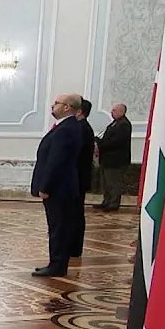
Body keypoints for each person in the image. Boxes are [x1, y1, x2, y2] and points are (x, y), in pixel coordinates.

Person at [31, 94, 84, 277]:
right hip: (61, 187)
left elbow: (57, 161)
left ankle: (57, 265)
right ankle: (55, 263)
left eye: (56, 103)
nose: (52, 106)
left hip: (59, 188)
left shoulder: (66, 129)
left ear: (67, 107)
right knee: (56, 227)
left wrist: (46, 187)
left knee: (59, 228)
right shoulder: (66, 127)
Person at [70, 99, 96, 258]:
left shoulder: (81, 128)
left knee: (75, 213)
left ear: (79, 111)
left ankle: (73, 247)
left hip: (77, 178)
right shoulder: (83, 127)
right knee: (76, 213)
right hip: (79, 177)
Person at [95, 103, 132, 211]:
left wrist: (100, 143)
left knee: (113, 182)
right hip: (107, 159)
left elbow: (116, 142)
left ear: (122, 112)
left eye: (114, 110)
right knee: (105, 182)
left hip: (116, 160)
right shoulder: (114, 123)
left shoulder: (124, 125)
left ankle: (113, 203)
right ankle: (106, 201)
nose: (111, 112)